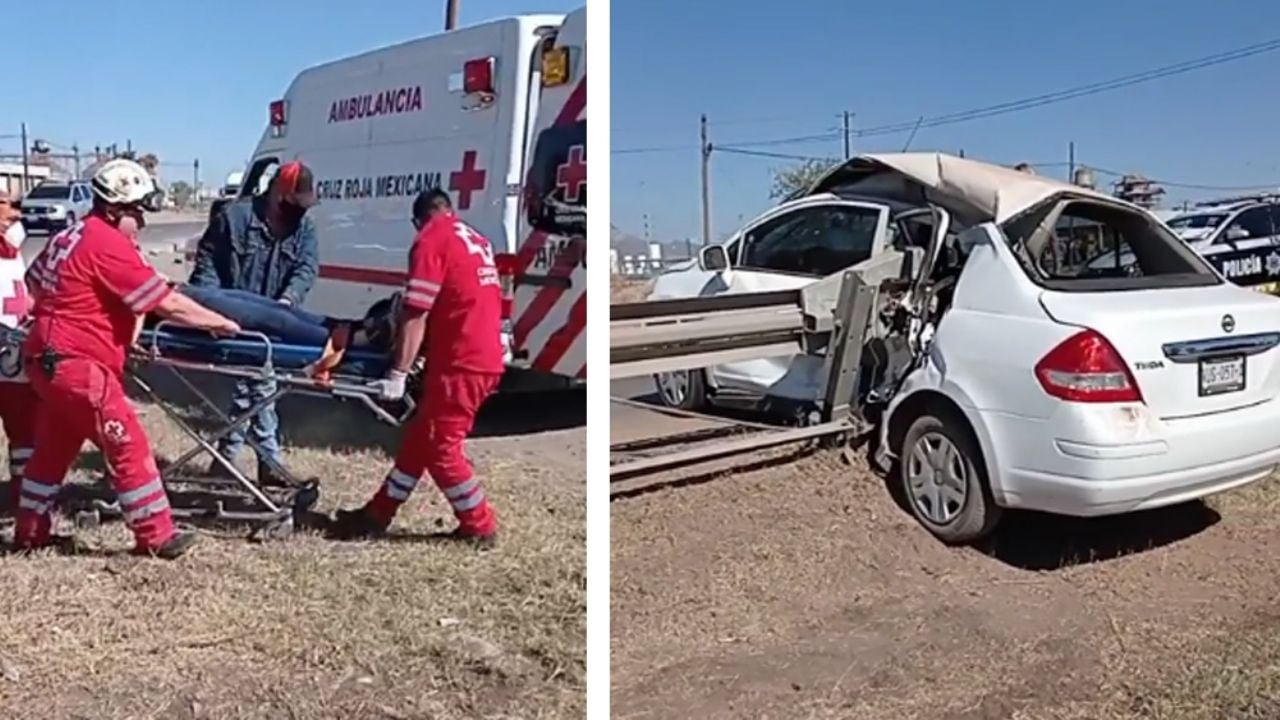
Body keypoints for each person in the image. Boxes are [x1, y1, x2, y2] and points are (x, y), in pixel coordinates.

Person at [17, 159, 241, 557]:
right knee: (127, 442)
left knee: (53, 448)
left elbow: (37, 286)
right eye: (137, 211)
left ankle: (30, 532)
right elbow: (166, 303)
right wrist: (219, 324)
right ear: (115, 209)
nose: (141, 221)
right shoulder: (107, 244)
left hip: (46, 359)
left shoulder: (68, 236)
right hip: (76, 363)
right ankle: (156, 535)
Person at [332, 188, 505, 546]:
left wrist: (398, 373)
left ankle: (479, 524)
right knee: (420, 441)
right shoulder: (475, 238)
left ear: (417, 220)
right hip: (480, 354)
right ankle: (377, 514)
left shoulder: (431, 239)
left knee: (442, 448)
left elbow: (416, 310)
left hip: (462, 362)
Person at [188, 161, 319, 485]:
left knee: (256, 387)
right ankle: (263, 466)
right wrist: (213, 313)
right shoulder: (234, 219)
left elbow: (306, 268)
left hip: (274, 323)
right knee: (256, 386)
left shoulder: (304, 228)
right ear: (278, 194)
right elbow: (207, 266)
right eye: (295, 202)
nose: (300, 211)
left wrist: (288, 301)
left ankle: (229, 464)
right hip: (232, 319)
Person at [0, 191, 36, 513]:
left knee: (25, 429)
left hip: (11, 358)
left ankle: (23, 496)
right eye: (8, 204)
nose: (17, 213)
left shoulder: (13, 254)